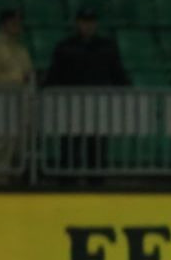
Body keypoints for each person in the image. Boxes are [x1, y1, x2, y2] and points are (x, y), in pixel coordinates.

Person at [44, 7, 130, 179]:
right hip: (70, 104)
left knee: (97, 146)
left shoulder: (107, 46)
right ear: (78, 23)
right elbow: (55, 73)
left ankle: (96, 181)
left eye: (91, 22)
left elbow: (117, 72)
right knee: (70, 144)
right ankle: (67, 181)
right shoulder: (65, 47)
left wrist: (127, 88)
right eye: (84, 22)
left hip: (98, 105)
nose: (88, 26)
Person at [0, 8, 34, 186]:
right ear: (4, 25)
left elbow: (28, 73)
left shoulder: (21, 50)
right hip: (1, 100)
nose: (17, 27)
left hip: (21, 100)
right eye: (13, 23)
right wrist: (17, 78)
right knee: (2, 138)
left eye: (19, 23)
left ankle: (8, 176)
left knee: (18, 140)